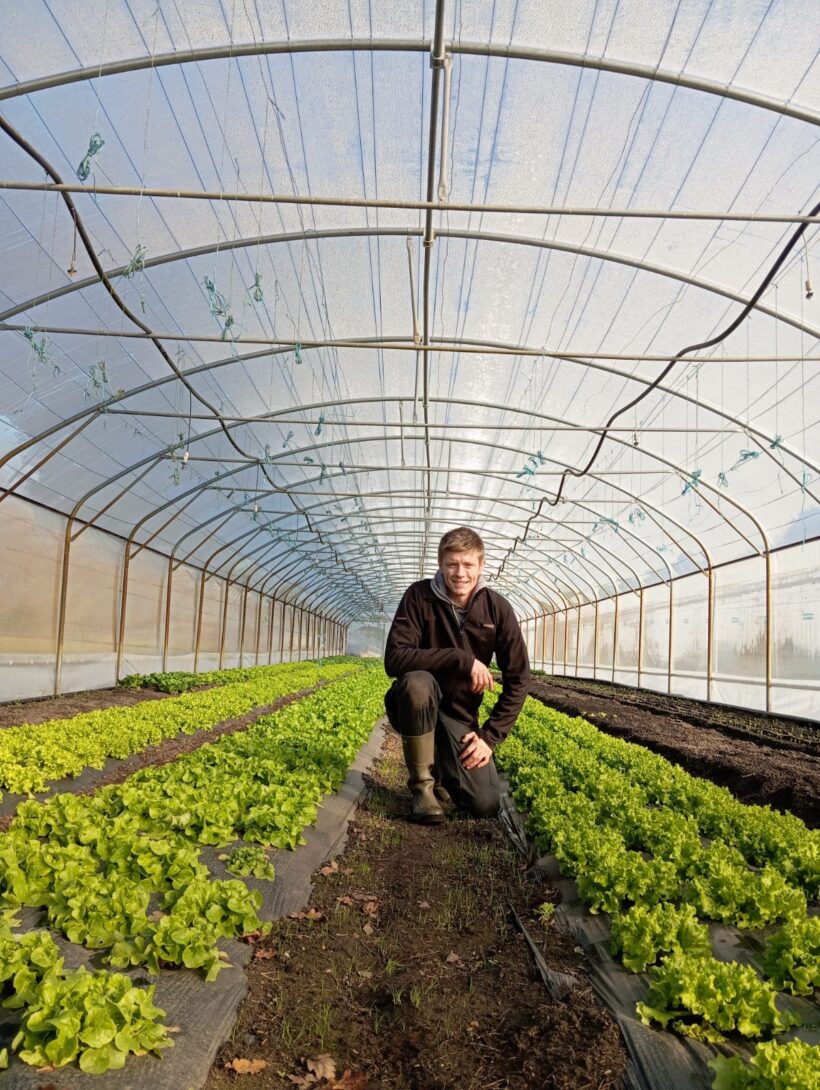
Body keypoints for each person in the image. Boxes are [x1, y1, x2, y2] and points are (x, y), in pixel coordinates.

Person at [383, 526, 530, 823]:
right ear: (440, 564)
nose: (460, 573)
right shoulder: (419, 597)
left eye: (468, 564)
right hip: (414, 707)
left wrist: (489, 737)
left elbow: (519, 677)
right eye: (452, 564)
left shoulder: (496, 609)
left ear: (481, 565)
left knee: (485, 804)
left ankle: (443, 772)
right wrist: (461, 659)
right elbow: (395, 659)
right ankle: (422, 789)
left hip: (459, 718)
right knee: (417, 683)